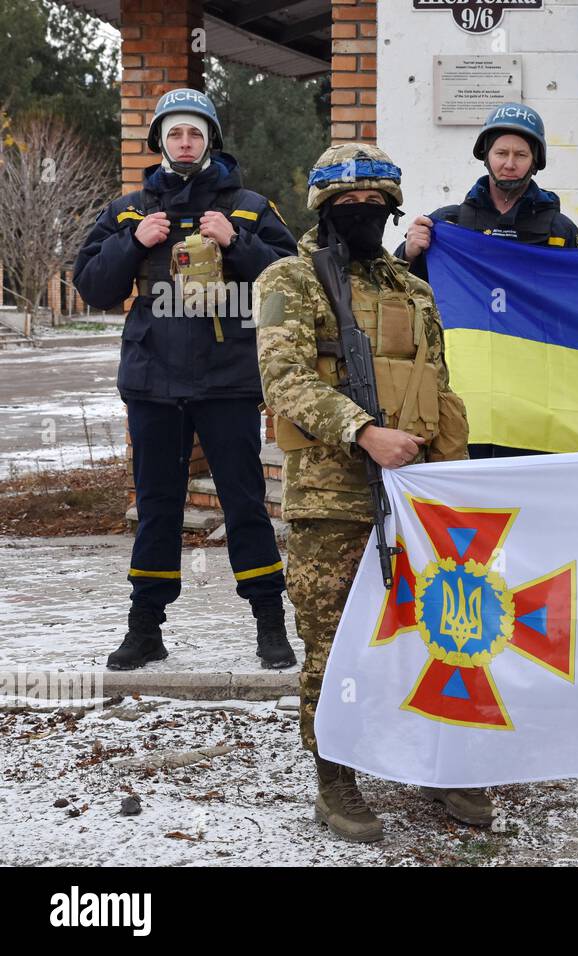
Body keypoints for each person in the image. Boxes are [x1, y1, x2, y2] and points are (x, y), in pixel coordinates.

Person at [254, 143, 489, 842]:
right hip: (331, 497)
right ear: (325, 210)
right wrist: (362, 431)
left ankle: (435, 760)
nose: (364, 215)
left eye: (376, 205)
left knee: (435, 631)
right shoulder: (288, 281)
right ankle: (335, 773)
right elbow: (284, 380)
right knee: (333, 642)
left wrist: (454, 478)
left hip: (418, 496)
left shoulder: (413, 290)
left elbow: (436, 387)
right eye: (348, 206)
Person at [72, 88, 296, 672]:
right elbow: (92, 287)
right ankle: (145, 629)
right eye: (175, 133)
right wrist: (132, 241)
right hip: (153, 383)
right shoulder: (129, 210)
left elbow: (292, 283)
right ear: (160, 142)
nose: (186, 142)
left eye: (196, 132)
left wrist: (237, 242)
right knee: (157, 507)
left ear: (210, 140)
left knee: (246, 504)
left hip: (227, 382)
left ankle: (270, 625)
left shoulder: (248, 206)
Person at [396, 102, 578, 459]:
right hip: (464, 390)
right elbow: (396, 292)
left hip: (536, 395)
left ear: (535, 160)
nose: (509, 163)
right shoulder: (447, 225)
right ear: (485, 155)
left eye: (520, 154)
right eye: (501, 152)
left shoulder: (560, 231)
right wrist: (408, 253)